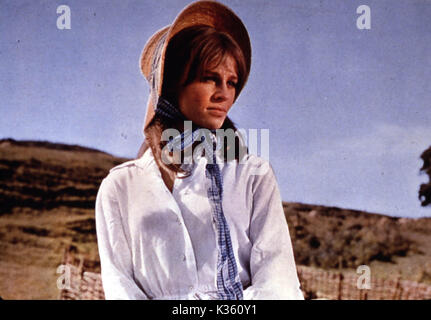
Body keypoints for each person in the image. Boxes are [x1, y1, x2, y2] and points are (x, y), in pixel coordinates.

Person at [95, 0, 304, 300]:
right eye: (210, 78)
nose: (224, 94)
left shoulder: (252, 175)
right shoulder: (120, 187)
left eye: (231, 82)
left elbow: (278, 280)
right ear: (172, 83)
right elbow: (120, 287)